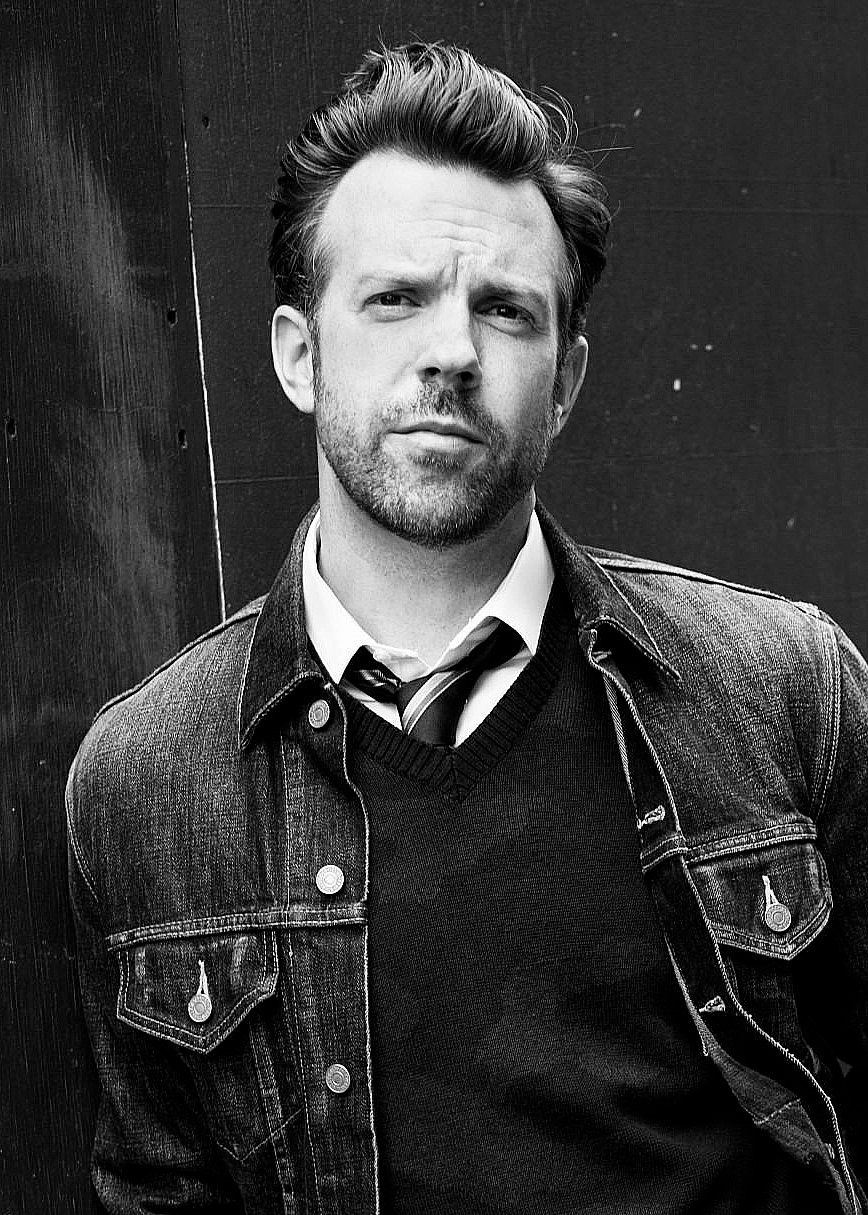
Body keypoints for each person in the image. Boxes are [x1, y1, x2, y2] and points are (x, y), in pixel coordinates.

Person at [66, 40, 867, 1215]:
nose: (451, 351)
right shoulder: (148, 779)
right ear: (299, 356)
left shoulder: (784, 690)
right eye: (395, 299)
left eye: (504, 309)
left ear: (566, 379)